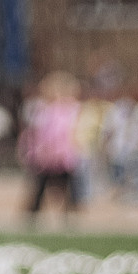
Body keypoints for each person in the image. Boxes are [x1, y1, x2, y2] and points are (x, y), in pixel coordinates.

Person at [20, 72, 83, 224]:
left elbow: (71, 134)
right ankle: (33, 213)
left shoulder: (71, 110)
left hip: (63, 156)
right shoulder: (44, 110)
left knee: (67, 187)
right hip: (47, 157)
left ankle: (70, 213)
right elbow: (39, 134)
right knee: (41, 185)